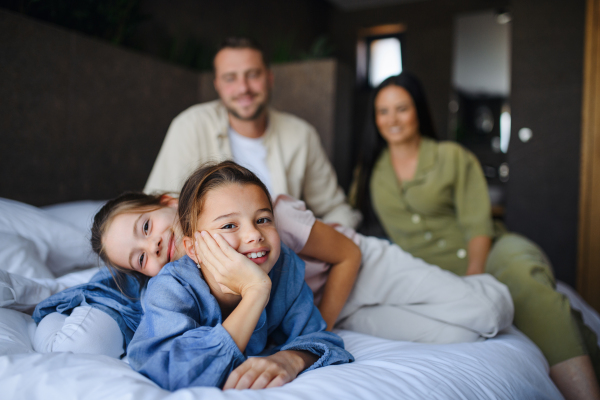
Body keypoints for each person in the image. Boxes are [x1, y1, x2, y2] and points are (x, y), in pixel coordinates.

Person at [33, 161, 513, 360]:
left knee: (485, 314)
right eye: (139, 259)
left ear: (164, 201)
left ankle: (491, 283)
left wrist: (316, 332)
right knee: (461, 336)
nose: (153, 249)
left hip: (361, 269)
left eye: (145, 229)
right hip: (335, 308)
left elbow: (346, 255)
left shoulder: (272, 218)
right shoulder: (191, 274)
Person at [353, 71, 600, 400]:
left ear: (418, 111)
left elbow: (477, 224)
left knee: (525, 279)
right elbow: (347, 217)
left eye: (402, 108)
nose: (392, 119)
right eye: (383, 111)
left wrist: (474, 278)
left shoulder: (452, 157)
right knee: (557, 309)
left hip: (489, 250)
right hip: (432, 270)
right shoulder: (370, 172)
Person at [126, 161, 354, 390]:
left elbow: (319, 337)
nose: (254, 234)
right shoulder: (171, 288)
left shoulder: (284, 265)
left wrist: (291, 358)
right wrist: (255, 292)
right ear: (194, 248)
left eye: (263, 220)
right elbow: (171, 372)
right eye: (229, 225)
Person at [144, 37, 360, 228]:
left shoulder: (302, 135)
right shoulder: (189, 125)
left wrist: (329, 246)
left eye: (253, 75)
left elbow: (336, 209)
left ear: (269, 78)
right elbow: (156, 208)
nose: (243, 88)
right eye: (230, 78)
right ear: (217, 85)